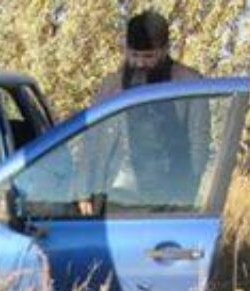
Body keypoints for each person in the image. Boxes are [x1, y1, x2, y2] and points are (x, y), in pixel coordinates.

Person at [78, 11, 210, 215]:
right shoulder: (111, 85)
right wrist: (83, 190)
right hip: (113, 194)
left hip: (165, 198)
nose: (140, 63)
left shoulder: (190, 84)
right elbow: (92, 139)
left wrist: (185, 198)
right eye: (134, 55)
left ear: (165, 50)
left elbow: (199, 145)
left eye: (148, 56)